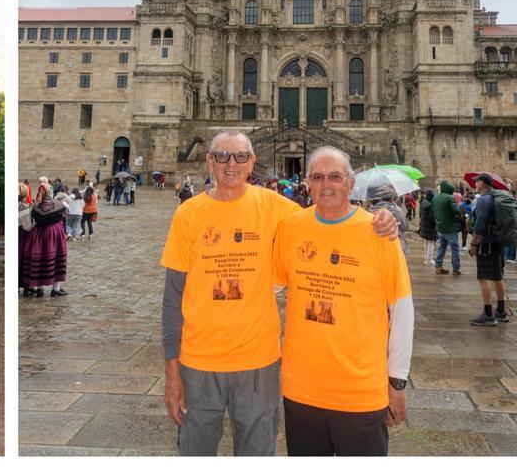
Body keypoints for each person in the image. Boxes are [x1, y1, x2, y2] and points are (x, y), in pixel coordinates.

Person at [160, 132, 396, 456]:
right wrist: (172, 372)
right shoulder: (187, 214)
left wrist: (385, 220)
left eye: (240, 156)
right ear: (209, 161)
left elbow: (330, 216)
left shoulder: (274, 207)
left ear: (252, 163)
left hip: (259, 363)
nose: (232, 164)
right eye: (223, 156)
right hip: (197, 363)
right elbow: (172, 298)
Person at [273, 146, 413, 456]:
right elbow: (268, 287)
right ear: (308, 182)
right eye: (318, 177)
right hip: (301, 392)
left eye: (335, 177)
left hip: (361, 393)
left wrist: (398, 383)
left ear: (351, 184)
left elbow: (402, 311)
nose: (326, 185)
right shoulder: (291, 226)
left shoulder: (379, 234)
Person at [467, 174, 509, 326]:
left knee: (483, 277)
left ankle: (488, 314)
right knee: (497, 276)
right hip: (498, 242)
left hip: (486, 244)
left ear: (482, 183)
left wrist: (473, 244)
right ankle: (501, 311)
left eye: (476, 181)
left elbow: (480, 224)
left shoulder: (484, 200)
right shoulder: (495, 198)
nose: (474, 184)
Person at [22, 183, 68, 297]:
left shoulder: (36, 207)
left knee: (38, 259)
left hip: (38, 234)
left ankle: (39, 288)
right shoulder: (59, 206)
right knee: (57, 259)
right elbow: (63, 218)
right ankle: (56, 289)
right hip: (54, 233)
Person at [432, 180, 462, 272]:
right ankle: (456, 268)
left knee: (442, 246)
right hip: (450, 228)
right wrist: (460, 214)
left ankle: (438, 265)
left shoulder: (435, 198)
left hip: (440, 227)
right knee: (455, 248)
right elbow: (456, 211)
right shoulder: (449, 198)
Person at [418, 188, 439, 266]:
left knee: (426, 242)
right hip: (430, 226)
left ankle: (425, 258)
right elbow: (432, 217)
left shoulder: (423, 202)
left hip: (424, 224)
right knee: (431, 242)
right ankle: (428, 260)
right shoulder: (431, 205)